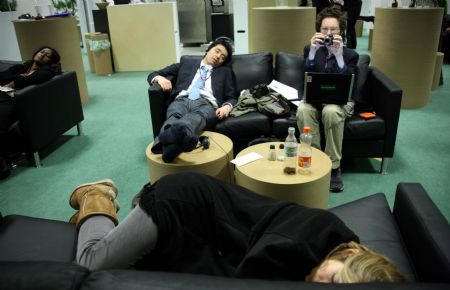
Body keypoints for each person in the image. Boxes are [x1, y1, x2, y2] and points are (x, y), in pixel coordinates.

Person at [68, 171, 406, 283]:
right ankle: (96, 197)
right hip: (183, 204)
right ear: (350, 255)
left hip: (209, 216)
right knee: (89, 265)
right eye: (333, 279)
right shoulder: (293, 246)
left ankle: (137, 209)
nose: (321, 283)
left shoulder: (332, 241)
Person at [296, 5, 359, 192]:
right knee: (303, 109)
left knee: (331, 111)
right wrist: (313, 53)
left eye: (333, 29)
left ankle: (333, 167)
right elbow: (306, 77)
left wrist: (339, 57)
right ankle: (314, 158)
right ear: (319, 30)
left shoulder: (350, 55)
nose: (328, 33)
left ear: (341, 31)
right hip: (315, 100)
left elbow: (349, 83)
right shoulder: (310, 49)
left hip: (340, 103)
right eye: (325, 29)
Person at [147, 38, 237, 163]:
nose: (218, 57)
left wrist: (227, 106)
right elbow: (154, 74)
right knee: (175, 115)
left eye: (222, 57)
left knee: (196, 117)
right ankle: (177, 143)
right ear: (208, 49)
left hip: (206, 104)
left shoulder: (225, 72)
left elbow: (232, 96)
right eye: (217, 51)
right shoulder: (186, 63)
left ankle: (162, 143)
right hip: (182, 99)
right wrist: (159, 79)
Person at [0, 46, 61, 179]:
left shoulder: (47, 70)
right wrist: (16, 78)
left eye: (47, 55)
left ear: (51, 61)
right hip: (4, 95)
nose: (42, 54)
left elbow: (34, 79)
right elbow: (2, 76)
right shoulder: (23, 66)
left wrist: (14, 83)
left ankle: (3, 165)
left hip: (19, 100)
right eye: (42, 51)